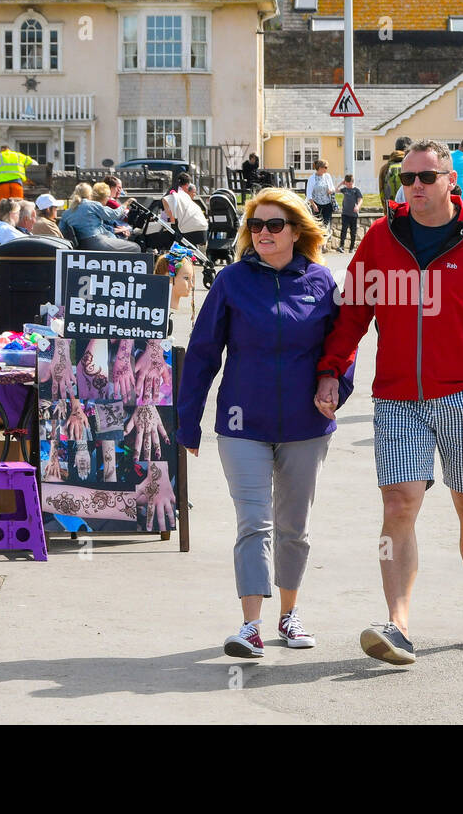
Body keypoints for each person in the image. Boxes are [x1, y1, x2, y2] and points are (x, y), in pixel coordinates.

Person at [314, 139, 463, 665]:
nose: (415, 186)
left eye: (427, 177)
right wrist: (330, 372)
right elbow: (351, 315)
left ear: (450, 181)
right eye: (406, 178)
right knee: (398, 505)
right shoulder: (380, 237)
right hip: (396, 400)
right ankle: (398, 624)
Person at [177, 188, 352, 658]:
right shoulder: (231, 281)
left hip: (306, 424)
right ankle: (249, 626)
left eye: (274, 225)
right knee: (253, 523)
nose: (263, 234)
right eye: (256, 226)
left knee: (293, 526)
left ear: (296, 231)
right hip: (241, 422)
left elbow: (342, 346)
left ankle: (289, 617)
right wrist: (188, 421)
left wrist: (335, 384)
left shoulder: (321, 282)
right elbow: (202, 353)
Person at [58, 189, 140, 252]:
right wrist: (127, 203)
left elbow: (62, 231)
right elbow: (114, 214)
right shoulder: (92, 205)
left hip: (81, 245)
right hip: (97, 242)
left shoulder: (66, 213)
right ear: (89, 194)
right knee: (136, 247)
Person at [167, 182, 209, 247]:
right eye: (194, 192)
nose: (195, 194)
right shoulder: (183, 203)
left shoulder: (191, 204)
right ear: (187, 192)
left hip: (191, 230)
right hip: (188, 230)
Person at [305, 159, 337, 241]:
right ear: (320, 168)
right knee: (317, 224)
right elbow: (309, 193)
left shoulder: (327, 176)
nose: (326, 169)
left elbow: (333, 188)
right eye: (325, 167)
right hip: (317, 204)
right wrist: (313, 205)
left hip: (327, 204)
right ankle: (318, 242)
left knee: (326, 224)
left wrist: (331, 190)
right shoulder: (312, 178)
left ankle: (324, 244)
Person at [378, 136, 411, 206]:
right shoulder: (412, 166)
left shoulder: (384, 168)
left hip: (392, 210)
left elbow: (382, 193)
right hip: (409, 211)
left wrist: (387, 212)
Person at [337, 174, 362, 252]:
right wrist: (341, 183)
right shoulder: (345, 189)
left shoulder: (356, 190)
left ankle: (351, 248)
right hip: (345, 214)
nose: (348, 185)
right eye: (347, 183)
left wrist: (358, 206)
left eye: (350, 183)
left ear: (352, 182)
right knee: (343, 230)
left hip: (354, 215)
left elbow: (360, 199)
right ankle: (341, 246)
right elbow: (336, 190)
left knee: (353, 232)